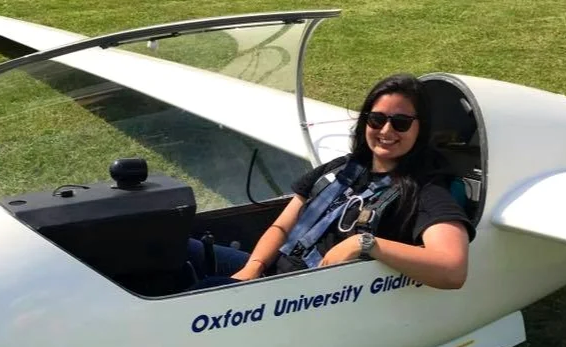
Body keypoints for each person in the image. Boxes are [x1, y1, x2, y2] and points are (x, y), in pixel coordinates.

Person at [188, 73, 474, 290]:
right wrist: (253, 267)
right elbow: (283, 225)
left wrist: (366, 243)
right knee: (173, 249)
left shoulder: (425, 190)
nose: (386, 130)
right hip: (268, 270)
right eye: (376, 119)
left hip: (298, 297)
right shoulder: (341, 168)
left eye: (400, 123)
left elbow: (452, 270)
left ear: (420, 129)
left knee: (184, 298)